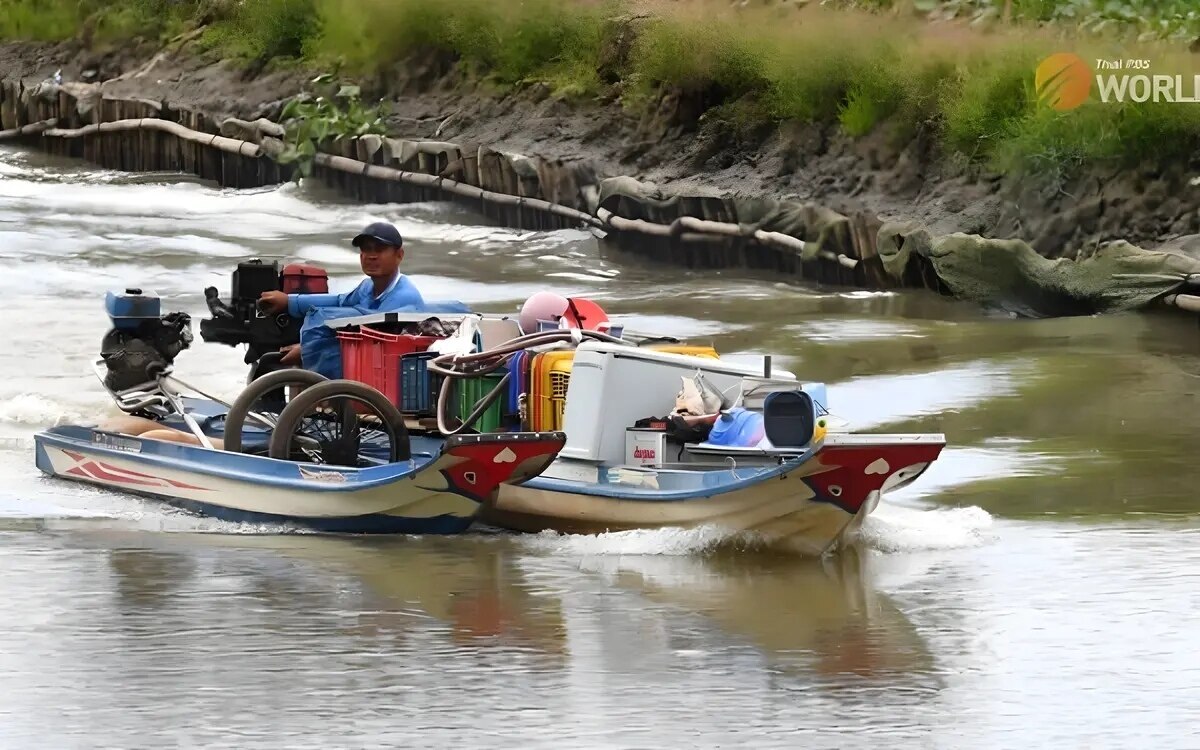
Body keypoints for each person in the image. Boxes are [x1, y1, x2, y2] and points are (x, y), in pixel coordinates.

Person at [258, 221, 424, 365]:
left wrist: (306, 350)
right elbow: (340, 301)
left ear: (399, 255)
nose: (371, 256)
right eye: (366, 249)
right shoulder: (367, 287)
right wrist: (289, 301)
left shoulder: (403, 297)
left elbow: (370, 337)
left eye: (379, 249)